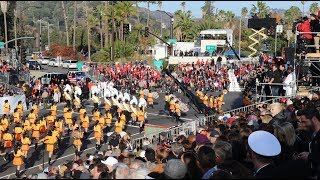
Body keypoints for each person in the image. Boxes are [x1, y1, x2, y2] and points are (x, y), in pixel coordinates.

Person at [295, 108, 320, 178]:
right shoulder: (313, 134)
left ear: (314, 119)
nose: (302, 124)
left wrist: (309, 156)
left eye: (304, 122)